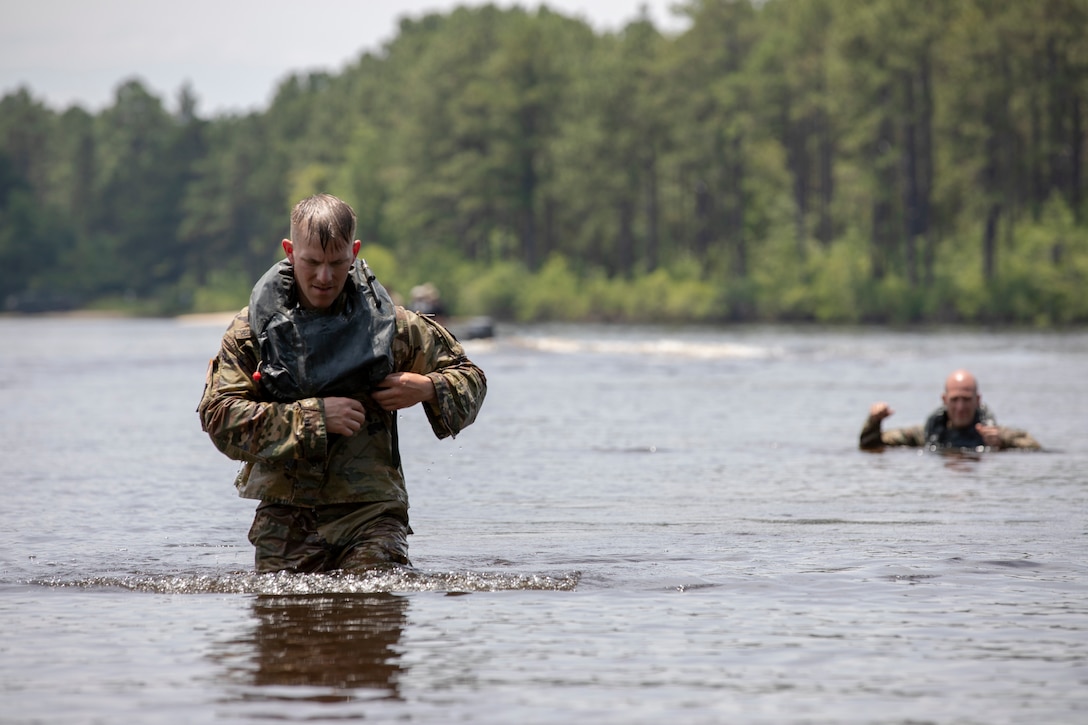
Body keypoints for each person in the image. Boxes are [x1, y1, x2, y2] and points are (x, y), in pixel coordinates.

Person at [198, 193, 487, 573]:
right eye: (312, 262)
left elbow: (471, 378)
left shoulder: (391, 327)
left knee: (374, 606)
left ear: (354, 251)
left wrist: (427, 388)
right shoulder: (254, 331)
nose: (324, 277)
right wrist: (315, 417)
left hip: (372, 513)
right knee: (282, 625)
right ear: (289, 251)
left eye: (337, 263)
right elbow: (219, 417)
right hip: (286, 518)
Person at [859, 369, 1040, 451]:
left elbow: (1034, 447)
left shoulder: (994, 433)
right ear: (945, 400)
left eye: (966, 399)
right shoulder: (926, 434)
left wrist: (1001, 442)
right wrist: (874, 421)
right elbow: (871, 444)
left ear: (978, 400)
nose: (960, 407)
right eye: (955, 400)